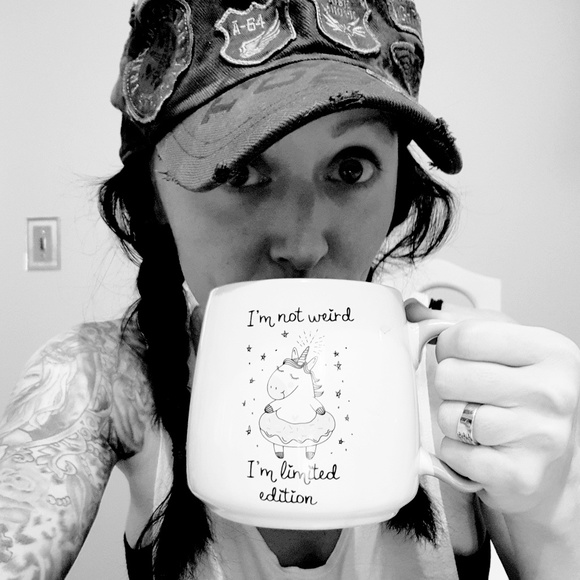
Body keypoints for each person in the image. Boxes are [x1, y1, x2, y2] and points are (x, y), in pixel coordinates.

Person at [0, 1, 579, 578]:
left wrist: (552, 507)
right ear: (154, 195)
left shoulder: (462, 388)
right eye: (240, 172)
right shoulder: (100, 378)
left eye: (350, 168)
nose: (302, 245)